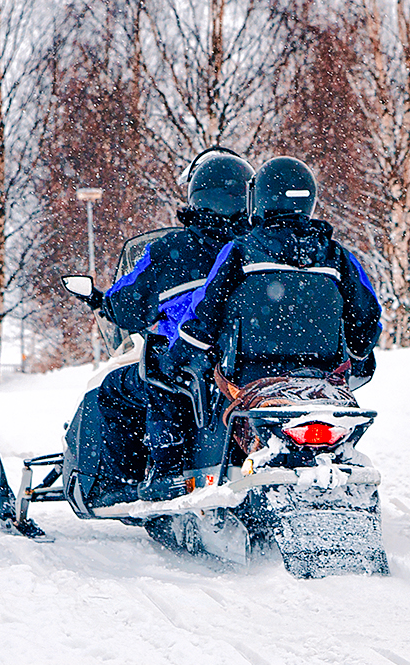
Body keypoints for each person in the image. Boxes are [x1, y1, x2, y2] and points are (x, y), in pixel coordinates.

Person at [162, 156, 382, 480]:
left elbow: (204, 313)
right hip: (323, 381)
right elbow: (367, 317)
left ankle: (205, 477)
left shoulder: (241, 251)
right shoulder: (337, 256)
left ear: (258, 199)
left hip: (250, 379)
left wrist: (180, 353)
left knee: (208, 398)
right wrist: (361, 353)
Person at [68, 149, 255, 503]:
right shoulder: (257, 248)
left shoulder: (171, 249)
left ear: (196, 197)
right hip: (245, 366)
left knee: (115, 389)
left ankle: (132, 479)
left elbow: (126, 306)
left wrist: (102, 301)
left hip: (189, 361)